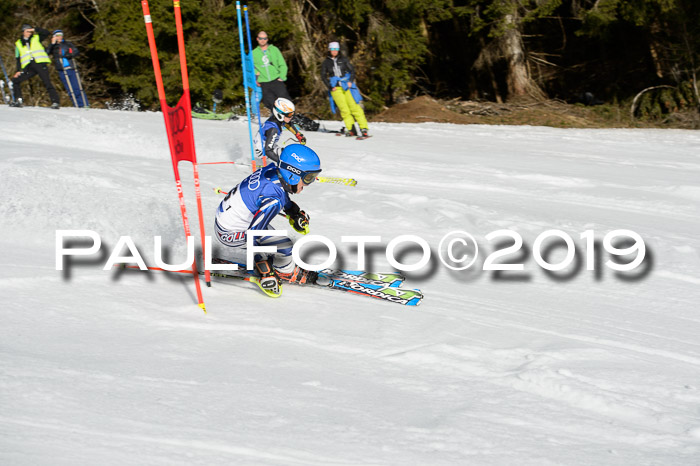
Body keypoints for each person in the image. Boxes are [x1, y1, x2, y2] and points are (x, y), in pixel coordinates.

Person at [214, 143, 322, 296]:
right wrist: (263, 268)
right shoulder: (272, 200)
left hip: (233, 220)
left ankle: (280, 263)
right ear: (292, 174)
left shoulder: (272, 170)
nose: (308, 184)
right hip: (229, 232)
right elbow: (253, 233)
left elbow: (279, 189)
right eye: (308, 178)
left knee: (275, 241)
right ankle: (286, 271)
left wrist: (293, 211)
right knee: (284, 245)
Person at [321, 41, 369, 137]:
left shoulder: (343, 59)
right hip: (335, 89)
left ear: (338, 50)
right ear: (329, 50)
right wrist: (330, 87)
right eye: (332, 49)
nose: (334, 51)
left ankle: (363, 128)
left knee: (354, 107)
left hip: (346, 86)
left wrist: (350, 81)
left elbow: (352, 71)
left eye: (336, 49)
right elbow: (323, 75)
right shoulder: (326, 62)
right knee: (344, 110)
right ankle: (351, 129)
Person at [11, 24, 61, 109]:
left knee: (47, 82)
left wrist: (35, 29)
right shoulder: (18, 43)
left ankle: (55, 101)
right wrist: (18, 70)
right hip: (29, 66)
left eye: (30, 31)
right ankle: (18, 99)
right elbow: (18, 59)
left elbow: (46, 33)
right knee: (15, 80)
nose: (29, 33)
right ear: (23, 32)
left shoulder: (36, 38)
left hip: (40, 63)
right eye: (27, 31)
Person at [253, 97, 306, 164]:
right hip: (262, 152)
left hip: (269, 147)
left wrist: (298, 135)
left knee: (290, 154)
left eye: (292, 114)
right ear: (280, 114)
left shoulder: (278, 119)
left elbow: (288, 124)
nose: (291, 117)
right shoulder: (273, 129)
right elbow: (268, 151)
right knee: (289, 158)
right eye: (289, 115)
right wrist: (282, 163)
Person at [252, 31, 292, 113]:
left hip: (276, 80)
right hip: (264, 82)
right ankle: (276, 119)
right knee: (269, 102)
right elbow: (249, 66)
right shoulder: (254, 53)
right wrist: (256, 76)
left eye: (264, 38)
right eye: (260, 38)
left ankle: (291, 118)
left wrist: (282, 76)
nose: (262, 40)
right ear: (257, 39)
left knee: (285, 100)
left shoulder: (274, 50)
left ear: (267, 39)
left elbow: (282, 64)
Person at [47, 30, 87, 108]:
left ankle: (84, 104)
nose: (59, 37)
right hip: (62, 69)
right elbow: (46, 52)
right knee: (70, 89)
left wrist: (69, 54)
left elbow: (76, 51)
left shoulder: (68, 44)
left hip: (71, 67)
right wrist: (52, 44)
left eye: (61, 35)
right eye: (57, 35)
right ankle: (76, 104)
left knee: (77, 87)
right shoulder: (53, 46)